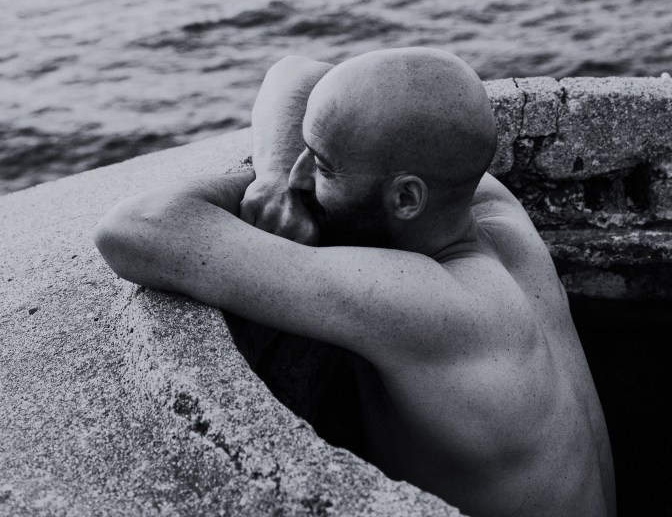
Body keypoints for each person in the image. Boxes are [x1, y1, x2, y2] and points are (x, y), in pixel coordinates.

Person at [95, 48, 615, 517]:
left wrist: (269, 186)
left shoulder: (436, 303)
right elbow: (299, 71)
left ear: (406, 198)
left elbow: (137, 228)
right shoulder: (488, 208)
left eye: (322, 167)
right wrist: (273, 177)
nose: (299, 177)